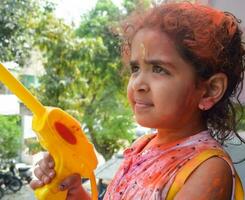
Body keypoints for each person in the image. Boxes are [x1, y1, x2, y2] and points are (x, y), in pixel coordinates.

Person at [30, 2, 245, 199]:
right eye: (135, 69)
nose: (138, 84)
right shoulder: (142, 146)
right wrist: (75, 193)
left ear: (209, 91)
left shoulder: (208, 169)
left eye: (159, 69)